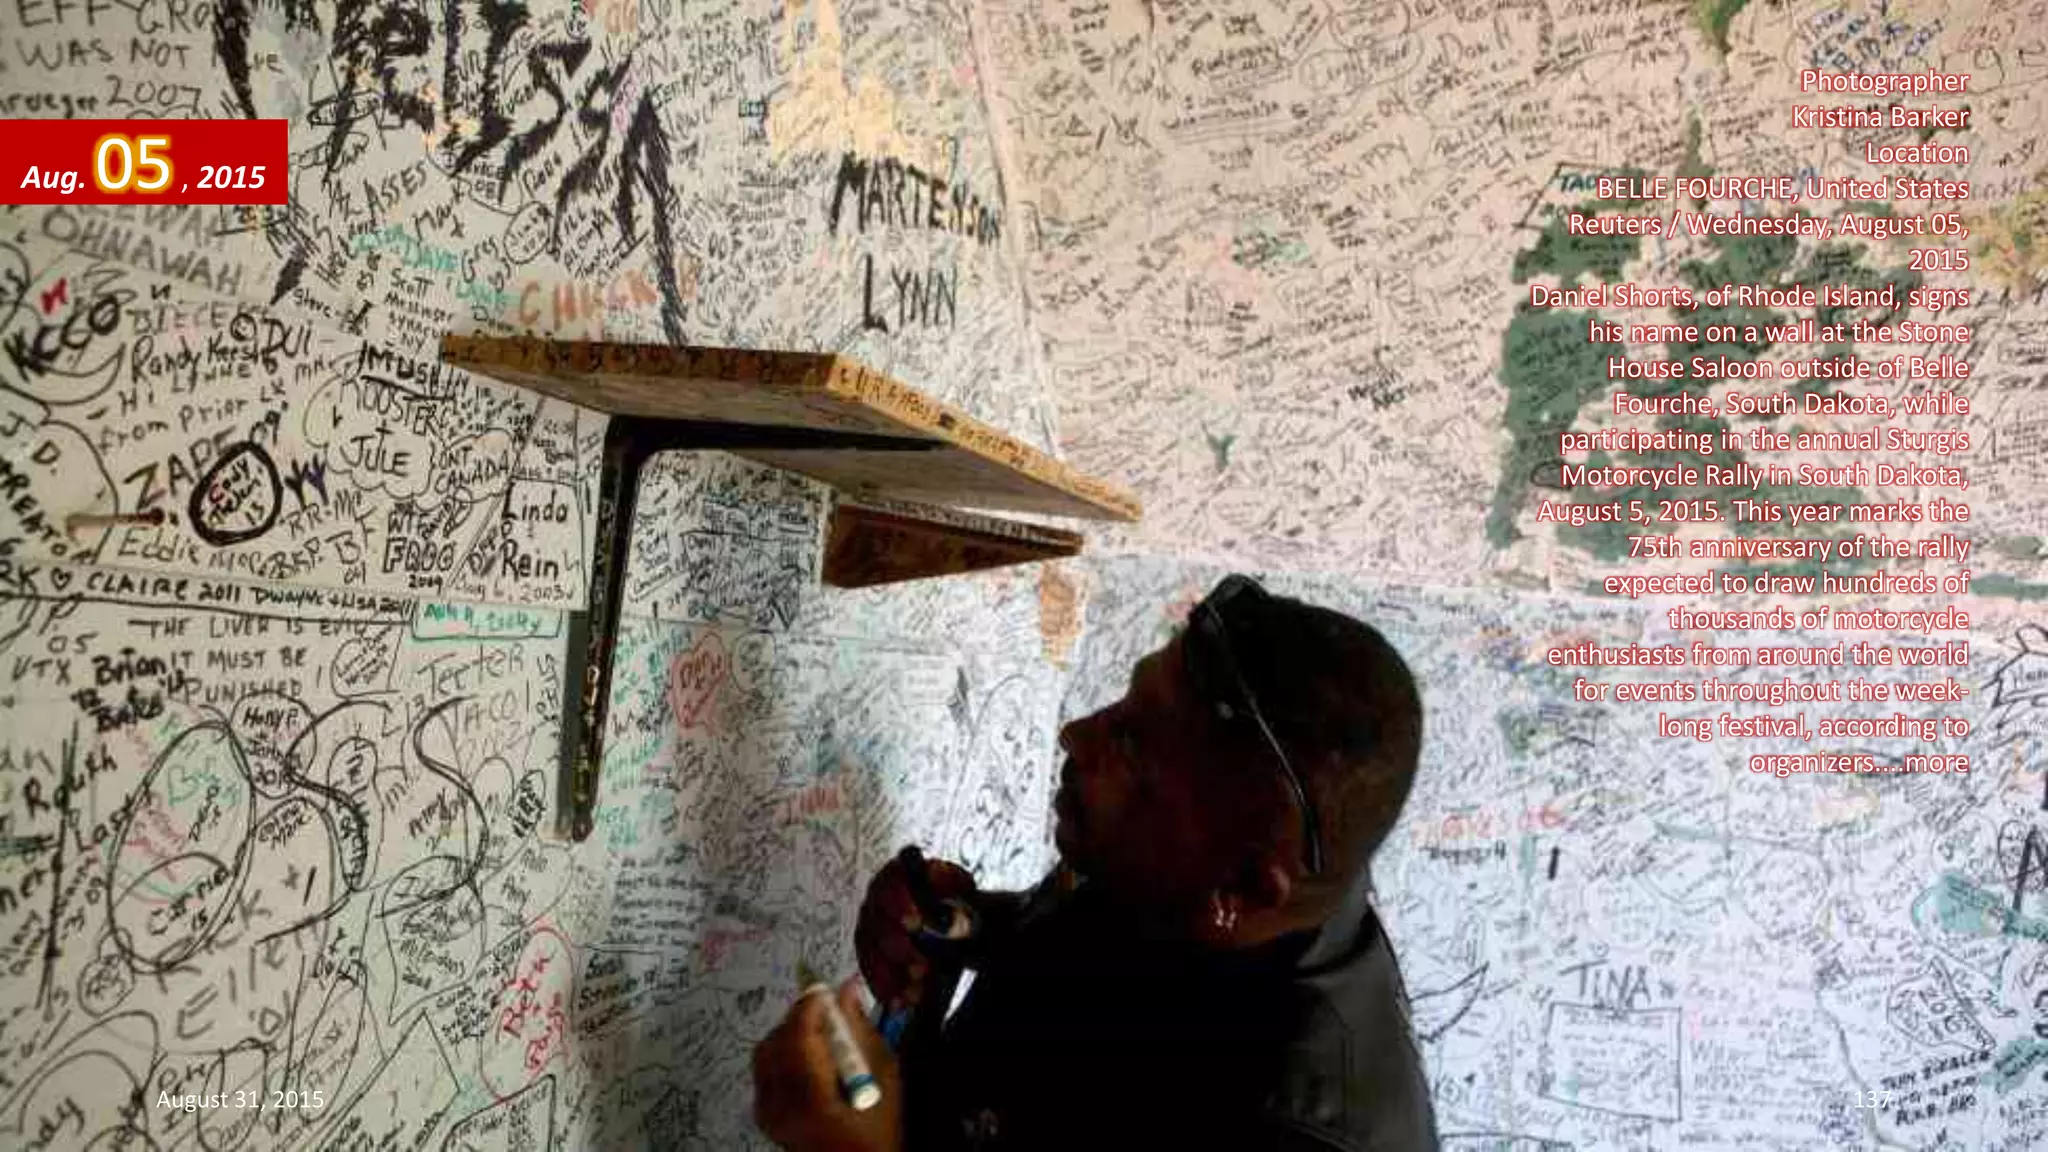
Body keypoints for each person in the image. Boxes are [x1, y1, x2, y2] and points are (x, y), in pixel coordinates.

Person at [753, 574, 1438, 1150]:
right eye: (1122, 709)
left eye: (1135, 748)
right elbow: (1102, 935)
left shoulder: (1286, 1130)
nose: (1076, 735)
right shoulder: (1226, 886)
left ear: (1242, 889)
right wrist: (960, 927)